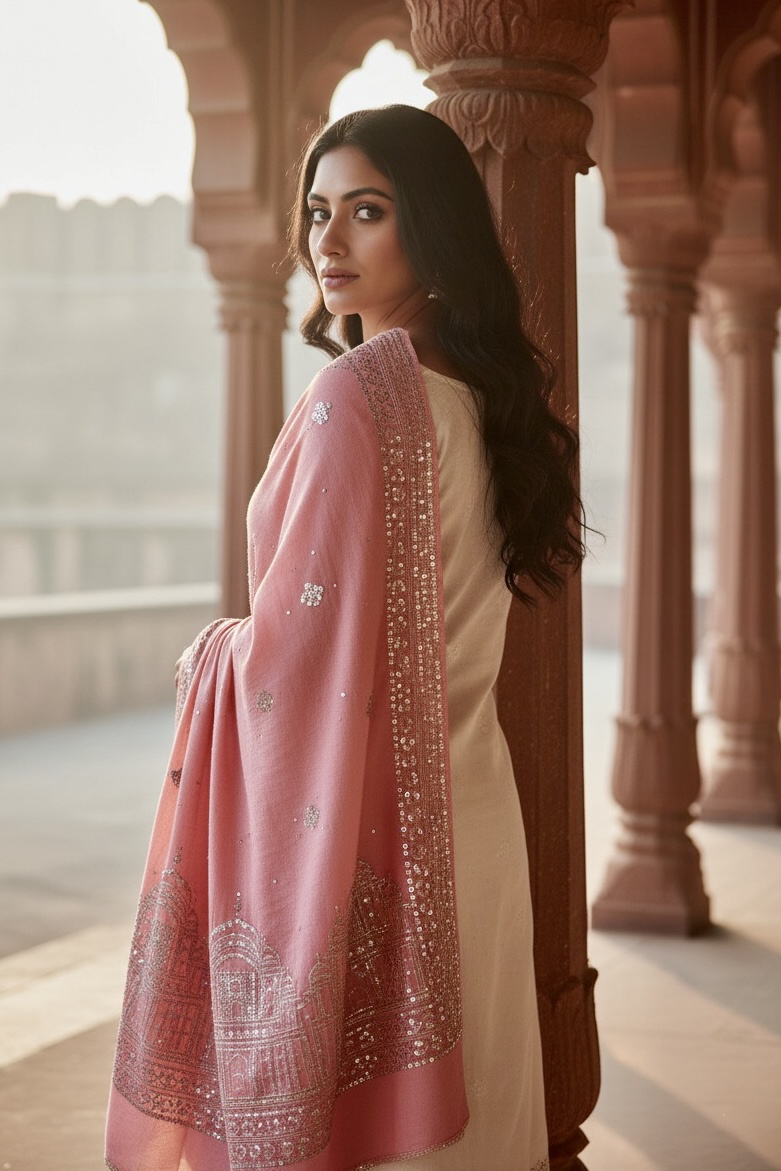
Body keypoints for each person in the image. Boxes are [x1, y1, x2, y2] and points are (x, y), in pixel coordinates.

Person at [105, 104, 583, 1171]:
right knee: (481, 1123)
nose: (328, 241)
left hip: (387, 847)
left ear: (434, 226)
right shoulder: (480, 402)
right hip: (477, 825)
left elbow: (287, 664)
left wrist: (208, 656)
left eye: (366, 211)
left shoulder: (355, 399)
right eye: (316, 212)